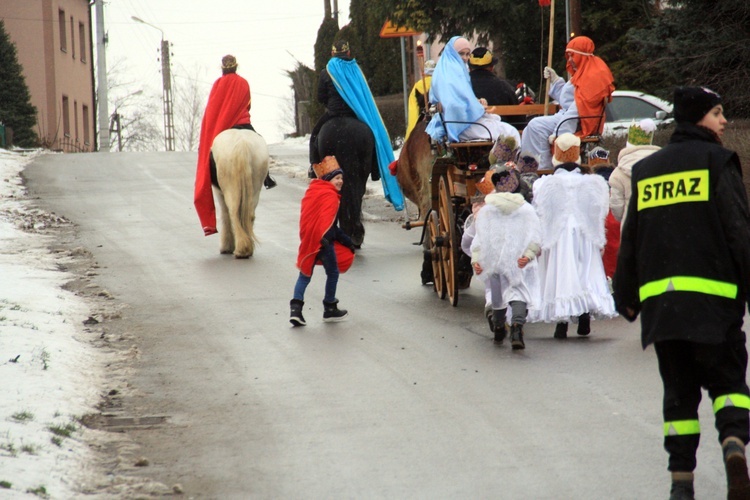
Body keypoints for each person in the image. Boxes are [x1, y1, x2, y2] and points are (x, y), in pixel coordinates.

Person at [613, 87, 750, 500]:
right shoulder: (717, 162)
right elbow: (738, 232)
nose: (724, 121)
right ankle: (733, 446)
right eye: (717, 113)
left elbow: (631, 237)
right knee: (727, 384)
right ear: (698, 118)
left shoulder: (648, 171)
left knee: (679, 396)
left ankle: (681, 481)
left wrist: (627, 296)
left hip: (664, 310)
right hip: (714, 306)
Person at [531, 133, 617, 338]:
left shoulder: (545, 184)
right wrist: (598, 236)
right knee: (584, 272)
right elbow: (600, 210)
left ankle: (562, 322)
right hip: (585, 233)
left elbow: (540, 211)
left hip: (559, 236)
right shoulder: (593, 183)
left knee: (563, 273)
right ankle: (584, 314)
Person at [308, 40, 404, 211]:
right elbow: (363, 94)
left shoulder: (326, 72)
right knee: (373, 136)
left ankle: (313, 166)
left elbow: (320, 97)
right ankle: (375, 169)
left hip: (333, 114)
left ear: (332, 54)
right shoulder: (356, 70)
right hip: (355, 114)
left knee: (315, 136)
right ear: (348, 53)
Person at [195, 55, 276, 236]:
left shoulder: (217, 84)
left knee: (207, 157)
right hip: (244, 123)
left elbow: (213, 108)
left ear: (222, 68)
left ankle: (228, 237)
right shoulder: (244, 83)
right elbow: (247, 106)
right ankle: (267, 177)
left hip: (224, 126)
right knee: (258, 141)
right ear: (236, 67)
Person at [470, 168, 542, 350]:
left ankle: (499, 327)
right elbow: (536, 237)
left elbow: (479, 239)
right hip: (518, 261)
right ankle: (517, 329)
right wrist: (528, 255)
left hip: (493, 261)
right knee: (518, 293)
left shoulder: (487, 211)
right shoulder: (526, 210)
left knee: (497, 296)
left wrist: (476, 260)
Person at [520, 36, 615, 170]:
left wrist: (560, 132)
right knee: (530, 128)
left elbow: (577, 108)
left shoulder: (592, 75)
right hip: (568, 117)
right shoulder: (585, 71)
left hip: (576, 122)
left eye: (572, 55)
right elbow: (568, 100)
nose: (570, 60)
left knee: (536, 126)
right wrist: (556, 80)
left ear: (581, 55)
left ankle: (543, 168)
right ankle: (533, 166)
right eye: (568, 56)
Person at [290, 156, 356, 327]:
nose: (340, 181)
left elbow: (309, 220)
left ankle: (296, 310)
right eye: (337, 178)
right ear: (328, 179)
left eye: (341, 178)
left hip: (309, 240)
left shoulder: (313, 192)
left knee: (304, 275)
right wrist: (347, 241)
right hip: (324, 242)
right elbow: (330, 226)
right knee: (333, 273)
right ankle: (330, 308)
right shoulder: (330, 196)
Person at [425, 36, 520, 145]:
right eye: (461, 54)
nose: (465, 58)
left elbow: (461, 97)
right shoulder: (450, 74)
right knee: (510, 132)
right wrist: (477, 107)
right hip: (461, 125)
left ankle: (503, 159)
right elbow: (453, 104)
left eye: (467, 54)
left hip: (463, 121)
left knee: (503, 127)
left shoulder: (452, 70)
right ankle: (507, 160)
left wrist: (477, 102)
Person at [608, 118, 661, 231]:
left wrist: (625, 218)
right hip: (658, 229)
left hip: (631, 230)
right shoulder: (664, 166)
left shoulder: (619, 173)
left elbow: (616, 207)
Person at [405, 59, 436, 141]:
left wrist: (411, 131)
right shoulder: (441, 83)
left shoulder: (418, 86)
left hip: (423, 117)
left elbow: (413, 110)